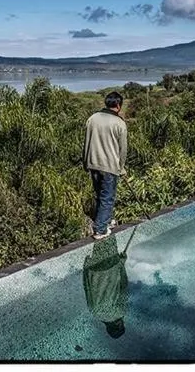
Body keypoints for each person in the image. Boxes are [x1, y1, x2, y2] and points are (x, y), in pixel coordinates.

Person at [83, 91, 128, 240]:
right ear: (118, 105)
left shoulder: (92, 119)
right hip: (110, 166)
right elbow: (123, 150)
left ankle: (107, 220)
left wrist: (86, 162)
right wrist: (121, 168)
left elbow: (86, 142)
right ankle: (100, 229)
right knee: (107, 197)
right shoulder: (119, 123)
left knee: (100, 195)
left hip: (93, 163)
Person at [82, 235, 128, 339]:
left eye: (123, 324)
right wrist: (86, 268)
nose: (123, 322)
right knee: (99, 241)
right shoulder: (94, 313)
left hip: (111, 266)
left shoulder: (121, 312)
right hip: (95, 271)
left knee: (108, 235)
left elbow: (123, 285)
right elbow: (86, 288)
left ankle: (103, 226)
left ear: (119, 325)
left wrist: (122, 263)